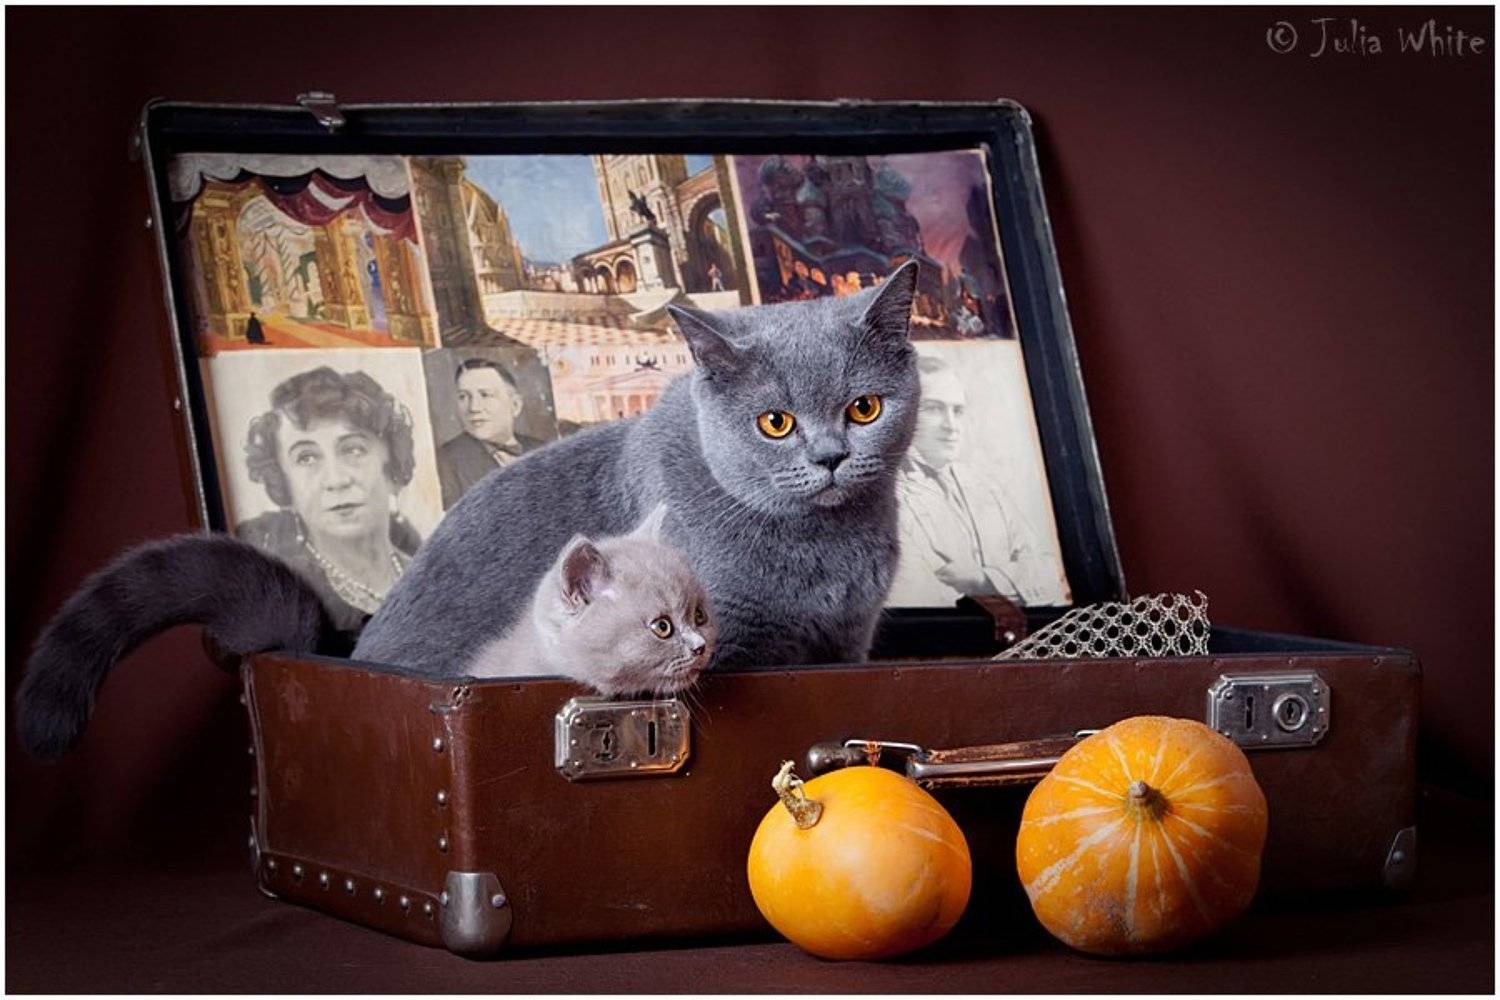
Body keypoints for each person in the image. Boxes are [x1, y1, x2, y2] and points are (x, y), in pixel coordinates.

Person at [236, 366, 421, 629]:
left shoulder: (430, 573)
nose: (336, 480)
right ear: (283, 480)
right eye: (306, 458)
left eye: (354, 450)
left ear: (391, 464)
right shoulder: (285, 598)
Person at [887, 354, 1063, 607]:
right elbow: (924, 596)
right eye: (934, 408)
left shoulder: (985, 487)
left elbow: (1050, 571)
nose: (951, 425)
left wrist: (982, 580)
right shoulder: (884, 496)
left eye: (957, 411)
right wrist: (1013, 582)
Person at [436, 358, 544, 508]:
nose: (474, 408)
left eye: (485, 395)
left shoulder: (543, 449)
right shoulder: (446, 460)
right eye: (463, 396)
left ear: (515, 405)